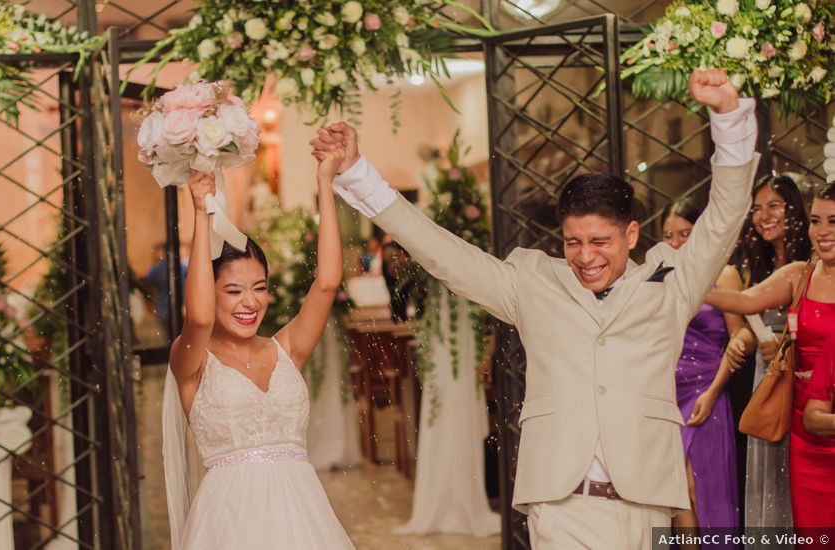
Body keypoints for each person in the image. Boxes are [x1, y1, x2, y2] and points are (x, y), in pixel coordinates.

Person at [313, 69, 758, 548]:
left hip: (643, 503)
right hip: (560, 504)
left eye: (600, 242)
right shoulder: (532, 281)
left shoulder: (672, 282)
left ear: (631, 235)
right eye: (573, 242)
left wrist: (729, 118)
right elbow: (442, 251)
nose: (586, 257)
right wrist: (359, 173)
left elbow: (725, 216)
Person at [161, 146, 354, 548]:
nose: (251, 302)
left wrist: (325, 181)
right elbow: (197, 318)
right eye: (233, 290)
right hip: (229, 523)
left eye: (259, 288)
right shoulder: (191, 361)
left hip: (302, 517)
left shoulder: (288, 349)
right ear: (209, 293)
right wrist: (200, 215)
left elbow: (327, 283)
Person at [706, 183, 835, 545]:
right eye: (815, 220)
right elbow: (744, 301)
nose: (822, 231)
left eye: (833, 221)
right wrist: (685, 282)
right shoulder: (800, 275)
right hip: (804, 432)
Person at [730, 174, 811, 536]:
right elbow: (753, 323)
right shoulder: (755, 266)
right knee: (765, 478)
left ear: (793, 210)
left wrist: (782, 340)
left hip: (800, 382)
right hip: (764, 380)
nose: (763, 216)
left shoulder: (811, 262)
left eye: (773, 206)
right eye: (757, 209)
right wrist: (741, 341)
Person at [661, 199, 742, 538]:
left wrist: (712, 393)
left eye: (684, 234)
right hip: (667, 393)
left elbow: (740, 335)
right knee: (674, 493)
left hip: (707, 390)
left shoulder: (724, 273)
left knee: (701, 487)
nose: (676, 243)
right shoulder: (660, 275)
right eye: (668, 235)